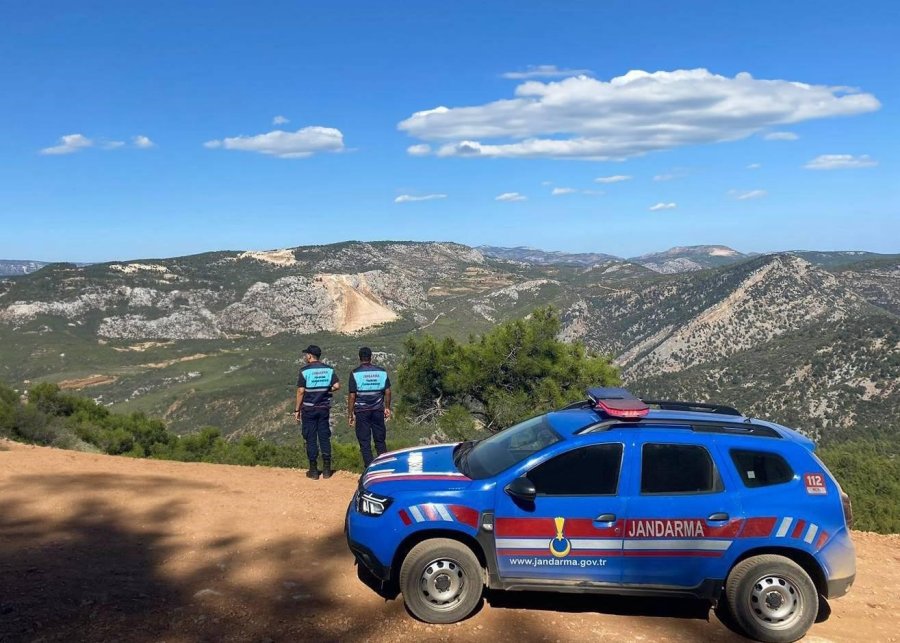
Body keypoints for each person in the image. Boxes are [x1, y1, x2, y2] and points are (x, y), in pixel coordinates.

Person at [294, 345, 340, 480]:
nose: (305, 357)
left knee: (311, 438)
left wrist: (297, 409)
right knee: (324, 436)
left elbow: (301, 391)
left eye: (306, 355)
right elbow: (337, 386)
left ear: (309, 356)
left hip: (309, 409)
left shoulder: (304, 371)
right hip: (324, 408)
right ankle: (326, 470)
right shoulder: (329, 369)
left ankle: (313, 471)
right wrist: (325, 390)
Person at [348, 347, 391, 467]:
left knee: (364, 441)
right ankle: (385, 466)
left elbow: (352, 396)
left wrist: (350, 413)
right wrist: (387, 407)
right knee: (380, 440)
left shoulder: (354, 373)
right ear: (371, 357)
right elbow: (387, 392)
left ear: (359, 357)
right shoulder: (381, 372)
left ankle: (369, 468)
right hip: (378, 410)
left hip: (362, 412)